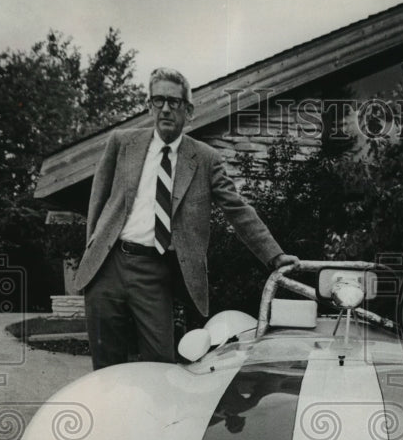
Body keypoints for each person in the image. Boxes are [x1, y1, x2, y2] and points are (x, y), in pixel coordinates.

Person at [73, 67, 298, 369]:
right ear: (149, 105)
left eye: (174, 102)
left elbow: (238, 209)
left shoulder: (205, 159)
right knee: (105, 366)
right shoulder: (122, 142)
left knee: (160, 364)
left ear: (188, 110)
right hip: (108, 267)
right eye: (158, 100)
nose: (165, 108)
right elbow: (97, 202)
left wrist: (275, 255)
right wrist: (93, 251)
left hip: (154, 272)